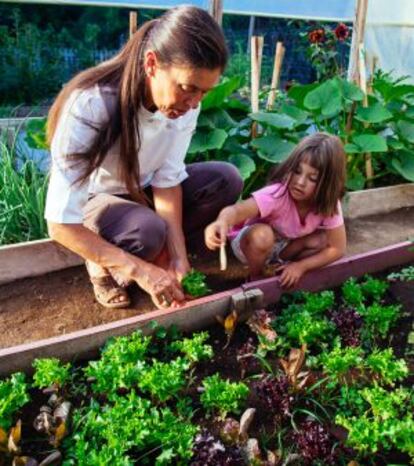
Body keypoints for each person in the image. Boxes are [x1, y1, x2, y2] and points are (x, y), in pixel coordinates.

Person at [45, 6, 243, 310]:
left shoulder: (186, 106)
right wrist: (142, 272)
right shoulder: (92, 104)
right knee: (146, 231)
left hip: (142, 194)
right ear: (152, 64)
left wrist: (178, 257)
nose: (193, 104)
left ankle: (157, 253)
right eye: (188, 89)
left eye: (203, 92)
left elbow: (167, 181)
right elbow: (59, 224)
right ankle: (100, 265)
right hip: (97, 201)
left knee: (225, 180)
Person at [205, 133, 347, 287]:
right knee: (262, 235)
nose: (300, 182)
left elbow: (337, 248)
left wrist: (301, 266)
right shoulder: (277, 194)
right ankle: (256, 277)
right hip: (251, 245)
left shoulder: (329, 204)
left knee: (322, 240)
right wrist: (222, 221)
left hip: (284, 247)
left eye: (312, 178)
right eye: (297, 171)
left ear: (328, 184)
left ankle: (281, 268)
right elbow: (237, 211)